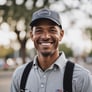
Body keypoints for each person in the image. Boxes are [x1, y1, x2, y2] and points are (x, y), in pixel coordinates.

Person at [10, 8, 92, 92]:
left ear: (61, 35)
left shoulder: (82, 77)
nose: (45, 36)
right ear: (31, 35)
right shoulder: (19, 75)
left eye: (52, 30)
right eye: (39, 30)